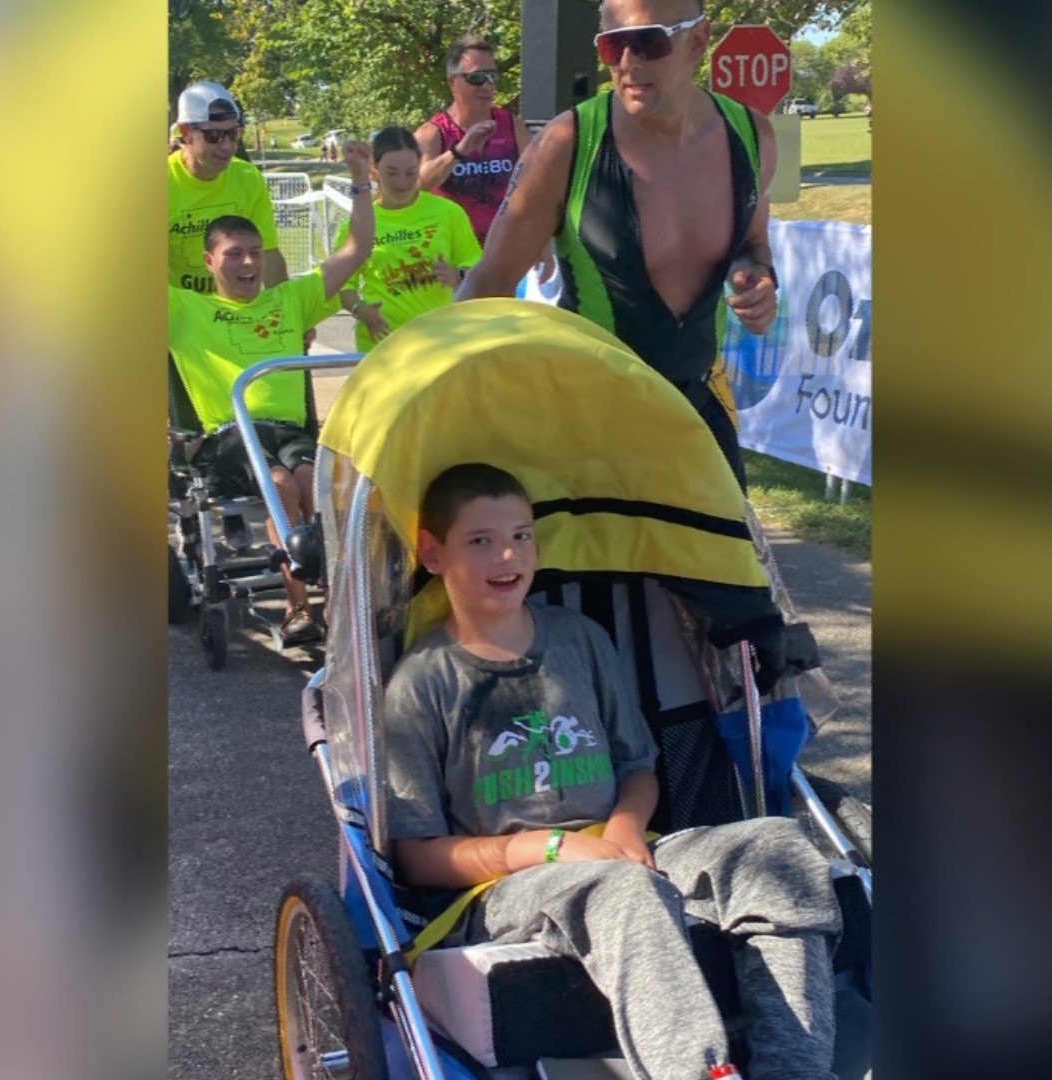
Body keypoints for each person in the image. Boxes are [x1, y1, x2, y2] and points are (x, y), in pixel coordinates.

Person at [382, 463, 839, 1080]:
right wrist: (547, 847)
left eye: (521, 535)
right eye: (481, 541)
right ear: (434, 554)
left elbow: (637, 764)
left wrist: (623, 830)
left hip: (619, 845)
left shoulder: (581, 640)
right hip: (500, 884)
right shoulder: (422, 681)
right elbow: (415, 855)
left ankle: (797, 1068)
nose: (508, 554)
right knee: (626, 891)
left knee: (777, 845)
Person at [454, 0, 779, 489]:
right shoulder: (568, 142)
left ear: (697, 40)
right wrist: (436, 395)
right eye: (612, 45)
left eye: (648, 41)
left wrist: (756, 276)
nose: (628, 62)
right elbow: (489, 280)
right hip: (588, 427)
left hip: (697, 416)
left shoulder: (752, 136)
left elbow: (753, 242)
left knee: (727, 567)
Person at [168, 141, 376, 641]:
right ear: (210, 261)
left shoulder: (291, 299)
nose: (247, 264)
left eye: (255, 253)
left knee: (315, 481)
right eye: (234, 254)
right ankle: (299, 608)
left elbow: (357, 249)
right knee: (282, 486)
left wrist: (360, 179)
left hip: (286, 430)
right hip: (229, 434)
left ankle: (342, 594)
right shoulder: (184, 310)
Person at [169, 82, 290, 430]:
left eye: (233, 135)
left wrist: (287, 313)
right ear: (186, 132)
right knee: (190, 433)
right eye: (214, 136)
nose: (226, 146)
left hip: (236, 316)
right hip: (182, 320)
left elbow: (268, 251)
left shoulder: (247, 178)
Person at [332, 126, 483, 352]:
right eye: (392, 173)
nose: (402, 182)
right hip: (383, 345)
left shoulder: (447, 212)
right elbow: (342, 284)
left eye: (411, 172)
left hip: (440, 342)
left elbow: (477, 266)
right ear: (375, 169)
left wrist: (457, 274)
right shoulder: (360, 223)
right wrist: (360, 310)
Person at [415, 35, 533, 247]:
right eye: (477, 78)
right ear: (453, 82)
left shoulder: (511, 125)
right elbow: (415, 184)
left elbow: (535, 181)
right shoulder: (434, 132)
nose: (487, 86)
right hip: (453, 254)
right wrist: (460, 150)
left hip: (505, 248)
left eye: (492, 77)